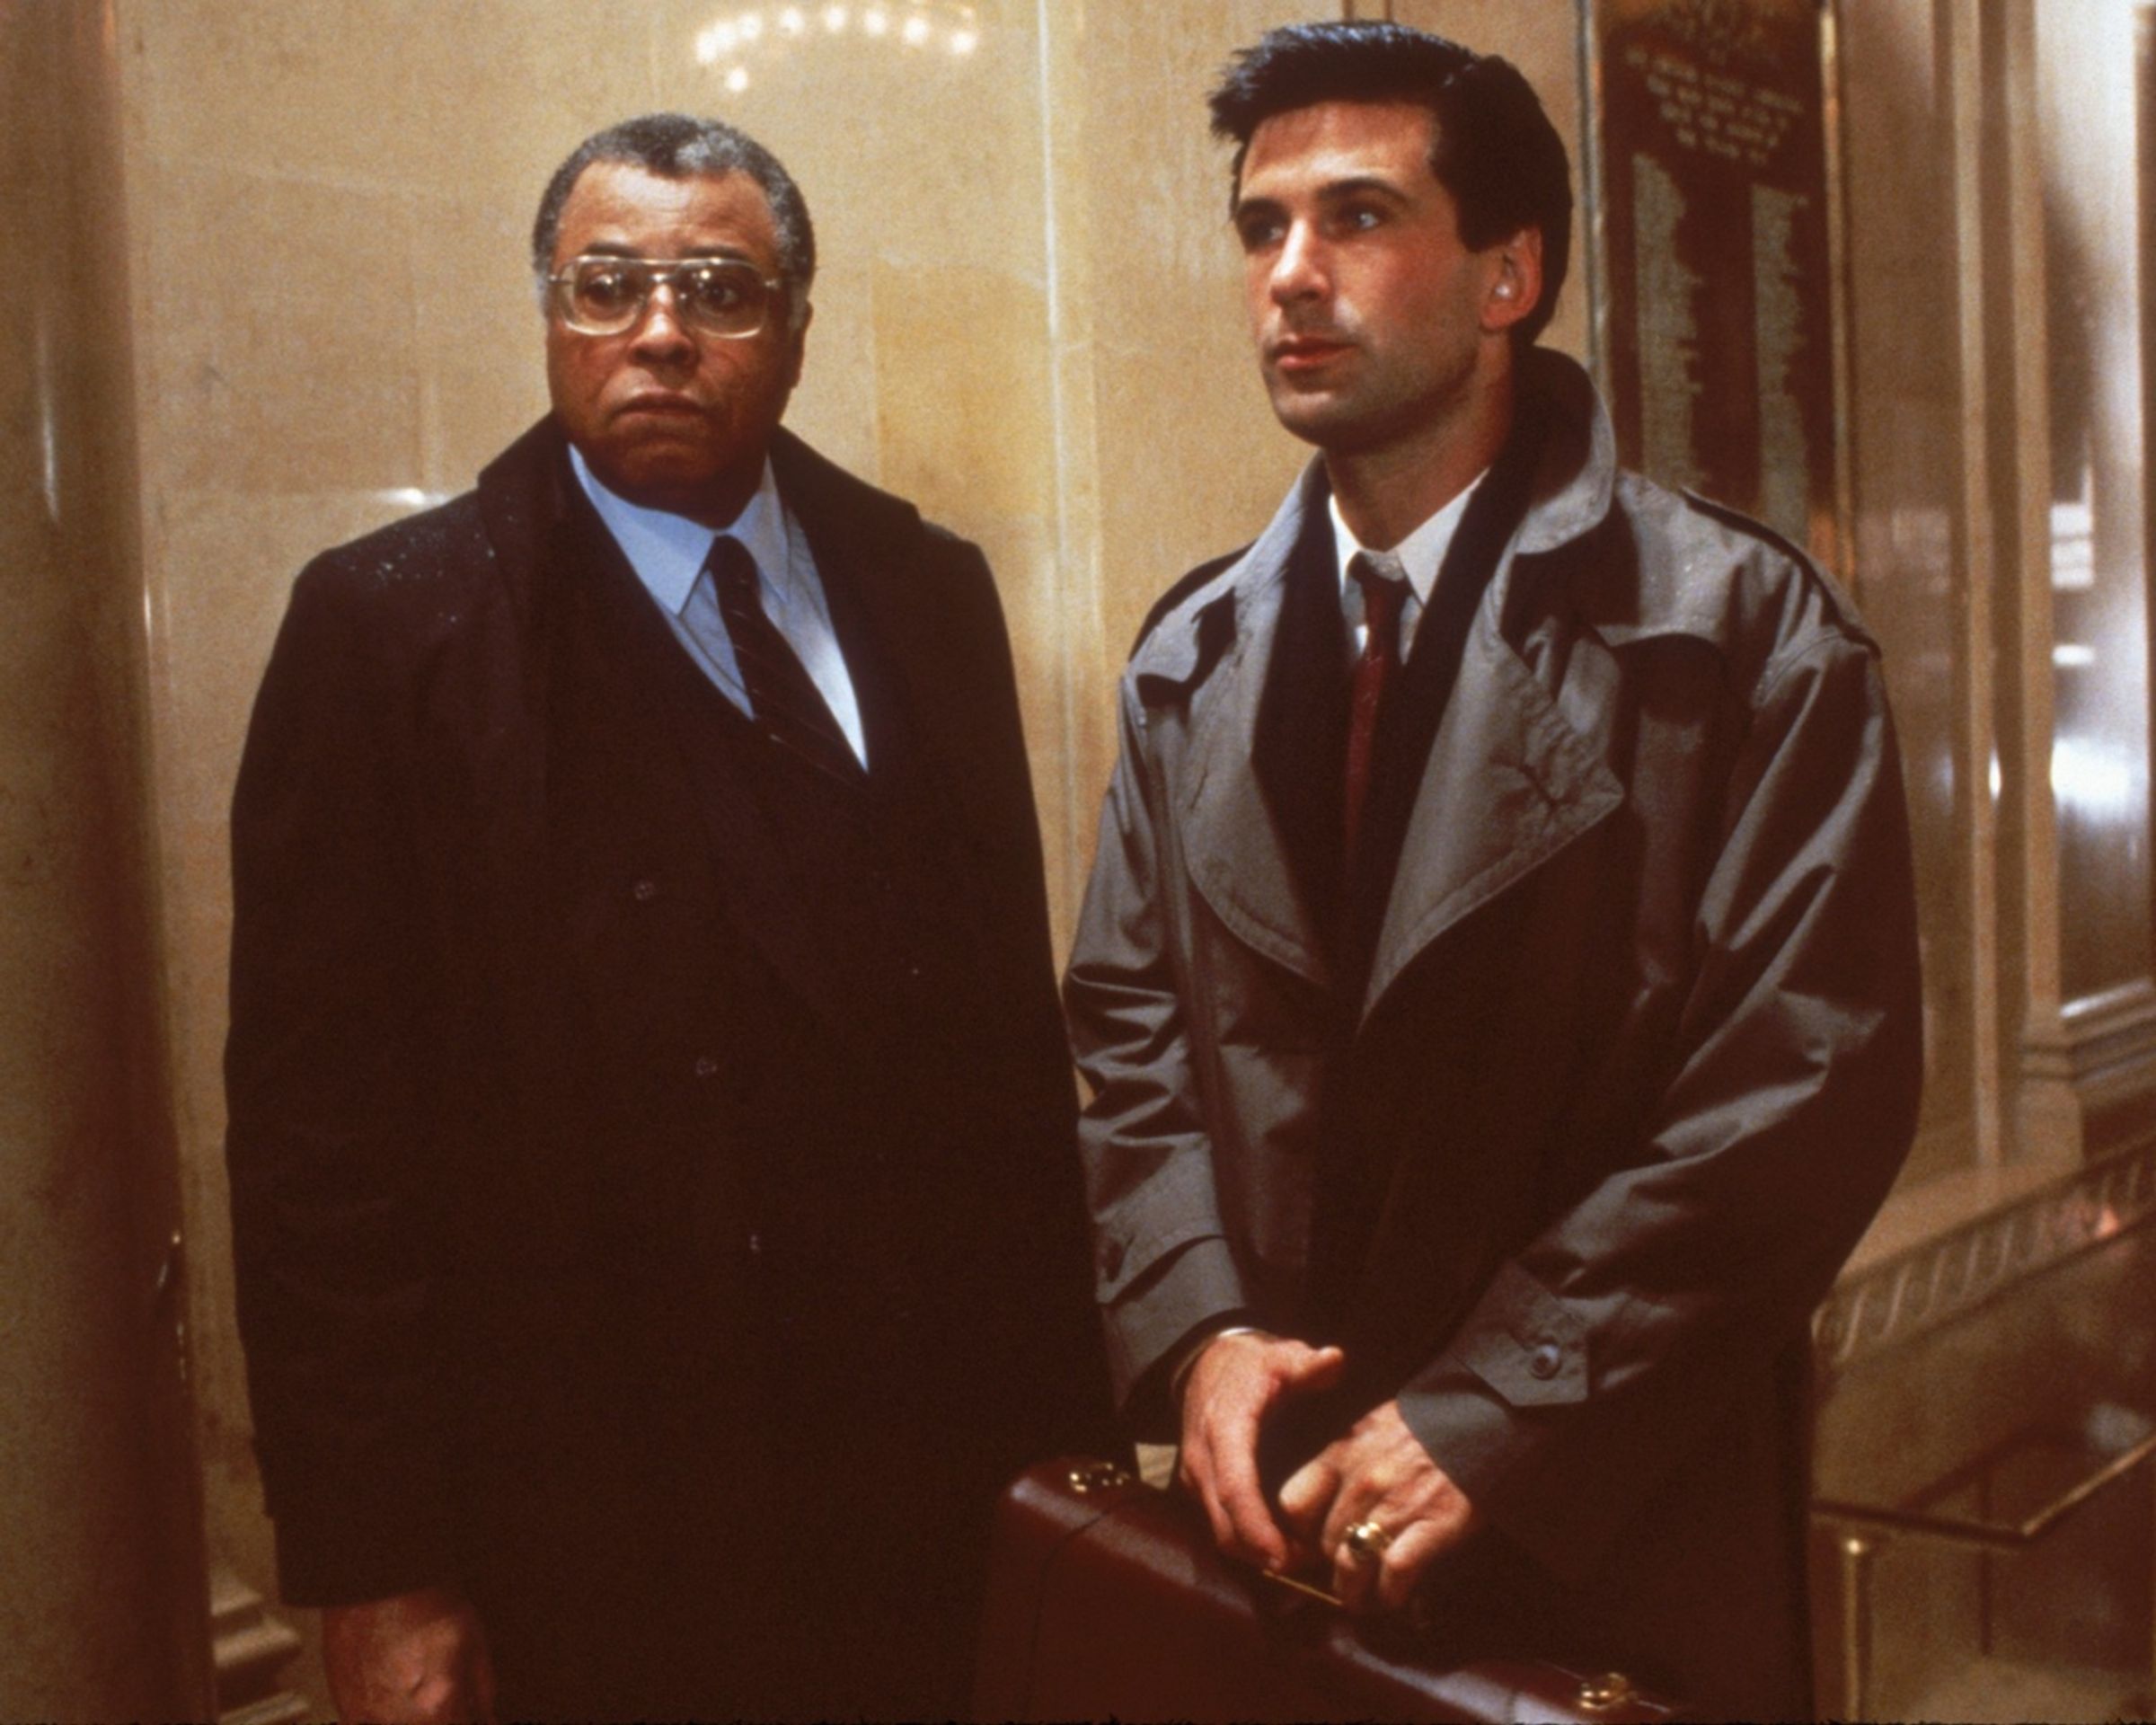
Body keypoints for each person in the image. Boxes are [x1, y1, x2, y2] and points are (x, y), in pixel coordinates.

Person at [1063, 22, 1922, 1720]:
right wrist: (1200, 1334)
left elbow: (1802, 1088)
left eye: (1358, 216)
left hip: (1608, 1511)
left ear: (1508, 274)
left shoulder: (1739, 635)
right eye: (1262, 227)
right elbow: (1131, 1033)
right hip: (1280, 1514)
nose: (1290, 276)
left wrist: (1493, 1415)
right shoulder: (1191, 655)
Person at [225, 112, 1113, 1723]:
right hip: (594, 1531)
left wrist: (1072, 1469)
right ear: (550, 316)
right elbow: (318, 1158)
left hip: (931, 1491)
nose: (657, 332)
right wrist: (382, 1573)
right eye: (606, 285)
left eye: (717, 289)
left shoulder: (928, 590)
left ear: (795, 330)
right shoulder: (393, 630)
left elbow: (1005, 1071)